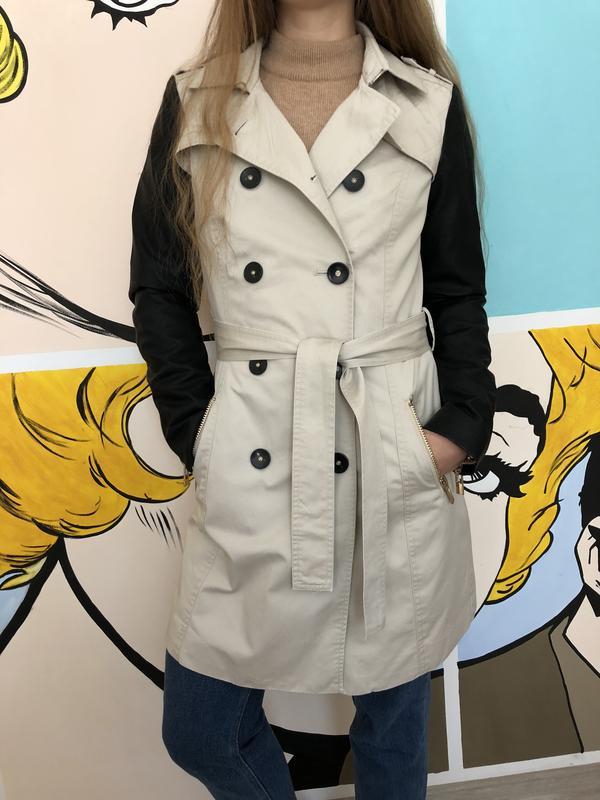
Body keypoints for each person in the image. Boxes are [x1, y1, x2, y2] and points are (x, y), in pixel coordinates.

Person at [128, 1, 496, 797]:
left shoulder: (425, 101)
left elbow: (457, 287)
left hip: (387, 443)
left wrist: (460, 425)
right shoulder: (197, 99)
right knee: (201, 729)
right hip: (257, 445)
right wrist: (199, 433)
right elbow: (159, 288)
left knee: (392, 730)